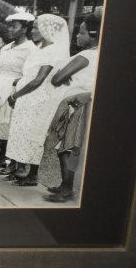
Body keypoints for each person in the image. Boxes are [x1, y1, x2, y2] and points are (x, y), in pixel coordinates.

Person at [5, 14, 70, 186]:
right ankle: (21, 169)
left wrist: (15, 95)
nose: (32, 31)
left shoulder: (53, 51)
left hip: (38, 100)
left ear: (47, 29)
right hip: (28, 98)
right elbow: (30, 75)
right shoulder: (40, 48)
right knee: (23, 133)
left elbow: (38, 80)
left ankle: (32, 175)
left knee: (35, 134)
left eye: (35, 27)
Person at [43, 13, 101, 202]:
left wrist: (62, 72)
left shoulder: (85, 55)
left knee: (65, 147)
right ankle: (65, 185)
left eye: (81, 32)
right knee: (71, 145)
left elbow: (56, 79)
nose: (77, 36)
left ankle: (67, 189)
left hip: (73, 104)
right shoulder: (101, 54)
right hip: (86, 102)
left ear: (92, 35)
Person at [0, 12, 37, 171]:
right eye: (10, 26)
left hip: (15, 89)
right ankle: (0, 158)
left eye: (14, 26)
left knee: (10, 124)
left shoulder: (30, 48)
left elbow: (29, 73)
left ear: (25, 29)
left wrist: (15, 89)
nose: (10, 29)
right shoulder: (7, 47)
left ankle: (12, 162)